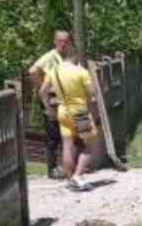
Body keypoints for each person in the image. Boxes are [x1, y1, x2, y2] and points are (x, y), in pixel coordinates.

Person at [38, 50, 99, 192]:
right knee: (89, 146)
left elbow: (42, 92)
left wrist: (48, 108)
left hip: (63, 111)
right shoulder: (80, 71)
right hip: (80, 111)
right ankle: (78, 175)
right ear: (75, 56)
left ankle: (70, 178)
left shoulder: (54, 71)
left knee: (67, 145)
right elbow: (92, 93)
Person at [28, 31, 71, 180]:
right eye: (60, 41)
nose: (63, 44)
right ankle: (51, 169)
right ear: (55, 41)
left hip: (61, 101)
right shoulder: (50, 57)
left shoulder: (64, 57)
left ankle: (63, 167)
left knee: (63, 134)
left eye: (65, 41)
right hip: (51, 101)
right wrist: (41, 87)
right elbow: (33, 71)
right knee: (53, 136)